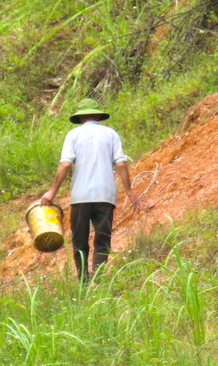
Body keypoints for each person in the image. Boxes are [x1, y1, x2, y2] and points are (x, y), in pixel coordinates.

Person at [39, 97, 145, 283]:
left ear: (80, 118)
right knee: (102, 239)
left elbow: (65, 165)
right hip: (105, 195)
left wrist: (52, 192)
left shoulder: (73, 135)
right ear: (97, 115)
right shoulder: (111, 134)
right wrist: (129, 191)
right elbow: (121, 163)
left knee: (79, 241)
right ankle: (99, 279)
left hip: (81, 197)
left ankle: (83, 281)